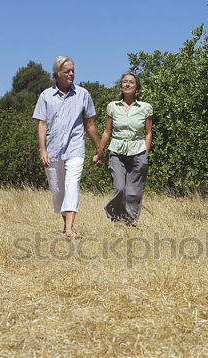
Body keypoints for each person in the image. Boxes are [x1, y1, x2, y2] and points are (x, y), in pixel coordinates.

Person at [33, 56, 100, 238]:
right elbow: (41, 125)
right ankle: (66, 225)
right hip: (52, 150)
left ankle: (69, 229)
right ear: (57, 74)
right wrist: (43, 150)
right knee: (58, 191)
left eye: (72, 70)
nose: (71, 74)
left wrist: (99, 148)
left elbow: (90, 124)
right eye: (67, 71)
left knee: (72, 185)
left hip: (75, 148)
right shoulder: (45, 96)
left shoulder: (83, 94)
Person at [94, 72, 153, 226]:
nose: (127, 84)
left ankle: (128, 222)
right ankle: (115, 214)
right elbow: (107, 131)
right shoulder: (112, 106)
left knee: (134, 191)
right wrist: (99, 153)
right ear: (120, 86)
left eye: (131, 82)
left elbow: (148, 133)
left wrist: (146, 153)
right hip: (117, 152)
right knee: (120, 188)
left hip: (138, 151)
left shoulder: (146, 107)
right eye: (124, 82)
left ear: (136, 88)